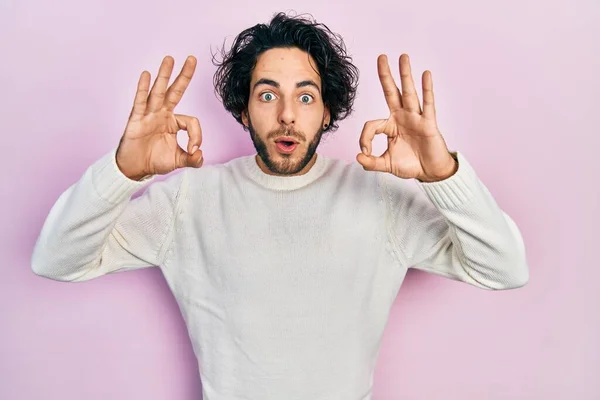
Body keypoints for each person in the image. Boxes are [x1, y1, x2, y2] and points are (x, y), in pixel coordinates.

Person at [31, 12, 529, 400]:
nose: (287, 116)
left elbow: (504, 268)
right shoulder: (190, 200)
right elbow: (55, 260)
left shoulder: (379, 199)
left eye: (306, 97)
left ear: (328, 109)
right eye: (267, 95)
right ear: (243, 109)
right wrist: (122, 171)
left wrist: (443, 175)